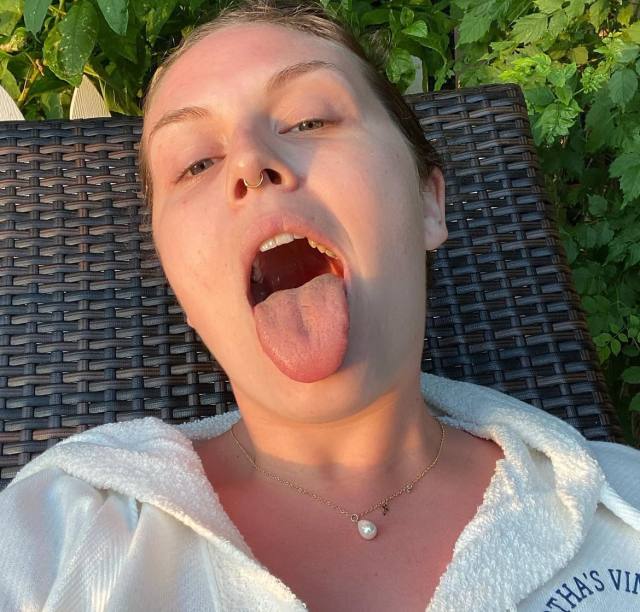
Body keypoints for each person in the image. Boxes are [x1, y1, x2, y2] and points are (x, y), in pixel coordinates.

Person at [1, 1, 639, 611]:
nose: (251, 163)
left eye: (309, 121)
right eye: (195, 163)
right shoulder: (55, 533)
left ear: (428, 203)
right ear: (177, 282)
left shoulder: (620, 502)